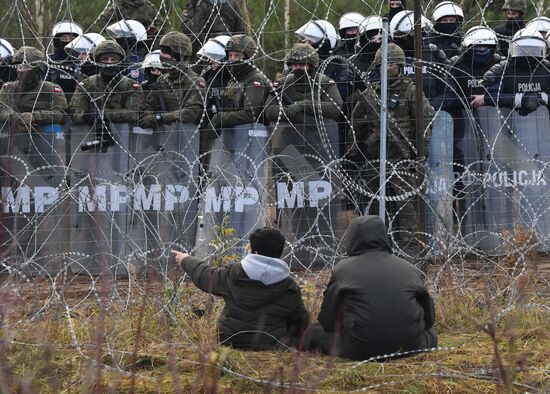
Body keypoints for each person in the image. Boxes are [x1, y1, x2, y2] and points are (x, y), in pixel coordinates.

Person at [303, 215, 437, 360]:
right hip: (410, 346)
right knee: (432, 334)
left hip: (359, 348)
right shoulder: (409, 268)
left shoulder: (343, 269)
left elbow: (328, 321)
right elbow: (429, 319)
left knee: (313, 333)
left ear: (351, 239)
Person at [350, 44, 433, 256]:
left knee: (405, 206)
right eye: (384, 63)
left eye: (392, 63)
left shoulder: (411, 91)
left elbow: (425, 122)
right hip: (376, 158)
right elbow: (357, 123)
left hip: (403, 159)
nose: (388, 67)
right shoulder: (371, 94)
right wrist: (361, 147)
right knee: (378, 204)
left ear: (400, 65)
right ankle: (379, 248)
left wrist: (420, 152)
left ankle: (409, 248)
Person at [171, 227, 310, 350]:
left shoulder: (235, 274)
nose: (246, 248)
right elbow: (300, 321)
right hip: (270, 343)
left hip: (231, 340)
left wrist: (185, 259)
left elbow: (206, 276)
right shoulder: (288, 285)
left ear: (255, 251)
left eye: (248, 246)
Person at [474, 28, 550, 114]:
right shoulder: (505, 70)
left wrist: (543, 98)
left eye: (533, 50)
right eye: (524, 50)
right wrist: (521, 99)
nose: (528, 54)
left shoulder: (547, 69)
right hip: (510, 120)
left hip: (543, 122)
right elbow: (491, 96)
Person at [139, 32, 206, 128]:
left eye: (166, 53)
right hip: (164, 136)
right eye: (162, 51)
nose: (162, 56)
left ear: (179, 56)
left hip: (188, 136)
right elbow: (150, 104)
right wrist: (148, 116)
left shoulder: (195, 82)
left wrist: (160, 118)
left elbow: (192, 112)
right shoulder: (162, 80)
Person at [265, 43, 342, 125]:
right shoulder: (283, 83)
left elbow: (335, 108)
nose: (297, 68)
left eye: (302, 65)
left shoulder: (325, 83)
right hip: (287, 133)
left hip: (317, 132)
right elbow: (269, 110)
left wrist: (303, 105)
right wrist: (298, 117)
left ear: (311, 65)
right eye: (294, 65)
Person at [390, 10, 451, 111]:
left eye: (422, 33)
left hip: (431, 117)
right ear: (402, 35)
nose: (421, 37)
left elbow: (449, 92)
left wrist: (432, 107)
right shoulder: (389, 59)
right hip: (399, 119)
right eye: (415, 33)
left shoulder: (431, 56)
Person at [70, 40, 142, 126]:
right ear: (98, 62)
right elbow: (75, 112)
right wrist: (87, 117)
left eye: (114, 59)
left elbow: (134, 114)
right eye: (105, 59)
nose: (109, 63)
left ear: (120, 62)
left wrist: (102, 114)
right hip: (90, 134)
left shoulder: (130, 85)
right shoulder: (87, 84)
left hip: (123, 135)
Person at [206, 34, 269, 131]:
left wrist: (220, 118)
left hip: (252, 135)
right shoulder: (235, 79)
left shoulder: (255, 80)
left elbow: (250, 114)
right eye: (230, 55)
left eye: (237, 55)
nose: (232, 59)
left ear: (248, 57)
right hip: (234, 134)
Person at [0, 46, 68, 132]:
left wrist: (35, 116)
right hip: (11, 139)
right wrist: (19, 118)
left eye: (26, 66)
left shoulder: (51, 89)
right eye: (19, 65)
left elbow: (62, 114)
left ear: (38, 68)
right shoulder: (8, 88)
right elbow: (2, 109)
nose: (21, 69)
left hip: (45, 138)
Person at [295, 19, 352, 102]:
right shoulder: (298, 64)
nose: (305, 45)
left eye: (310, 42)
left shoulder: (339, 67)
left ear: (324, 44)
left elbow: (339, 99)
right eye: (305, 41)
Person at [46, 20, 84, 101]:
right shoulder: (48, 60)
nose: (67, 40)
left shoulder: (83, 62)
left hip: (78, 101)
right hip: (52, 101)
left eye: (71, 38)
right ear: (57, 40)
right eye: (64, 37)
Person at [96, 0, 163, 40]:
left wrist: (154, 31)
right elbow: (101, 21)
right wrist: (115, 33)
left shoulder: (149, 7)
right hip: (125, 43)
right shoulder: (119, 6)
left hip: (146, 43)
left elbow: (160, 25)